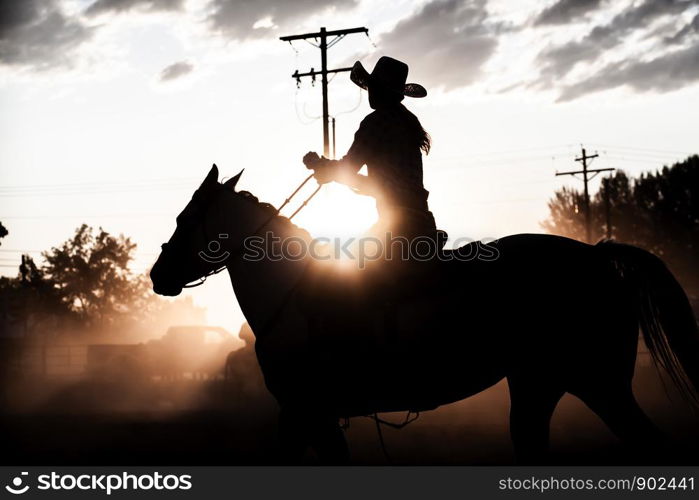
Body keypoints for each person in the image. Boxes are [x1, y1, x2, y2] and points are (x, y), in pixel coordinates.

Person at [303, 56, 441, 247]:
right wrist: (329, 171)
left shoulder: (377, 122)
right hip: (420, 220)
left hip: (398, 224)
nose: (370, 92)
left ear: (380, 90)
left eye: (373, 87)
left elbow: (349, 168)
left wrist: (323, 167)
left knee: (344, 267)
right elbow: (382, 185)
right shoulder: (407, 121)